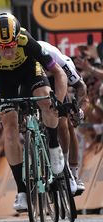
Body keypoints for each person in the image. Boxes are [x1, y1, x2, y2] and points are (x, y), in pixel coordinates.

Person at [0, 13, 68, 212]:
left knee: (46, 99)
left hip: (29, 71)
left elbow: (59, 73)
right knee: (9, 126)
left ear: (18, 39)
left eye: (11, 46)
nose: (7, 51)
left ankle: (53, 146)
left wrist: (58, 103)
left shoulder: (27, 40)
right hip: (2, 79)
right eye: (2, 46)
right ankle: (22, 191)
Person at [38, 41, 88, 195]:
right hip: (33, 81)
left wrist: (78, 110)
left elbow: (81, 87)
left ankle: (71, 171)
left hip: (57, 80)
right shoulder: (23, 58)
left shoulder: (58, 59)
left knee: (64, 123)